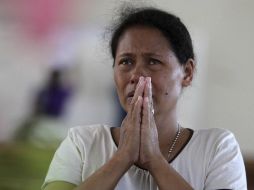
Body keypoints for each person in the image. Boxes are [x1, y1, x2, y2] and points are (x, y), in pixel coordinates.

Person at [42, 6, 247, 190]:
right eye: (126, 61)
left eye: (153, 61)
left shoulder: (217, 148)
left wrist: (155, 160)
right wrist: (122, 157)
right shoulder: (82, 144)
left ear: (187, 73)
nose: (136, 75)